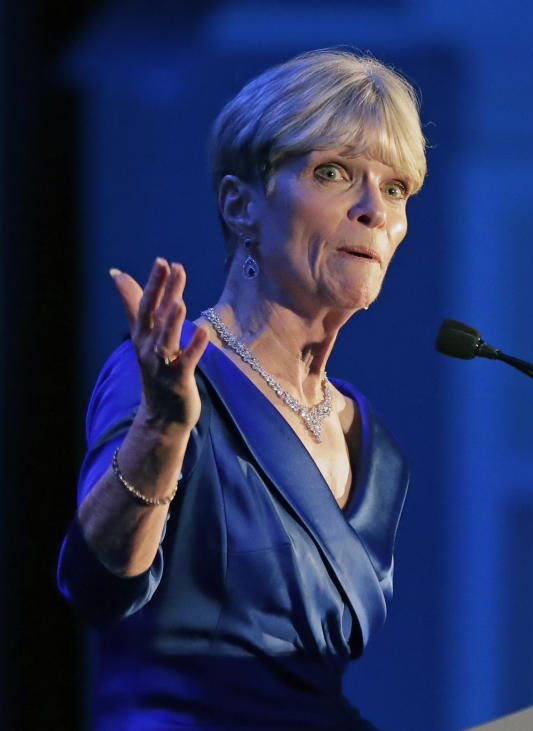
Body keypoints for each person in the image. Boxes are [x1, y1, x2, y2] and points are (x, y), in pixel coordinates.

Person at [57, 49, 426, 730]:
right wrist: (162, 429)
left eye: (397, 187)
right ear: (241, 202)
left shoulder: (378, 450)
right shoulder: (168, 374)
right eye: (334, 172)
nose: (375, 209)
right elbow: (95, 581)